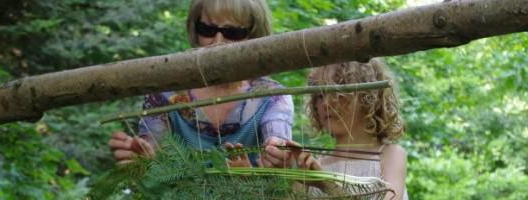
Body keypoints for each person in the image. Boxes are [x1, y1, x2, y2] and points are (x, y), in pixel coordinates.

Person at [108, 0, 295, 168]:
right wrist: (142, 158)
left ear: (254, 37)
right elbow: (153, 150)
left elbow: (277, 137)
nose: (218, 42)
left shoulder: (272, 97)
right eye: (207, 30)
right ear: (195, 30)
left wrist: (277, 152)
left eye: (233, 33)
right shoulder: (164, 94)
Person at [288, 59, 408, 200]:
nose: (326, 103)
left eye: (338, 93)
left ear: (368, 97)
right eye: (320, 95)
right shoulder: (316, 165)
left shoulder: (390, 155)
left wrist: (327, 185)